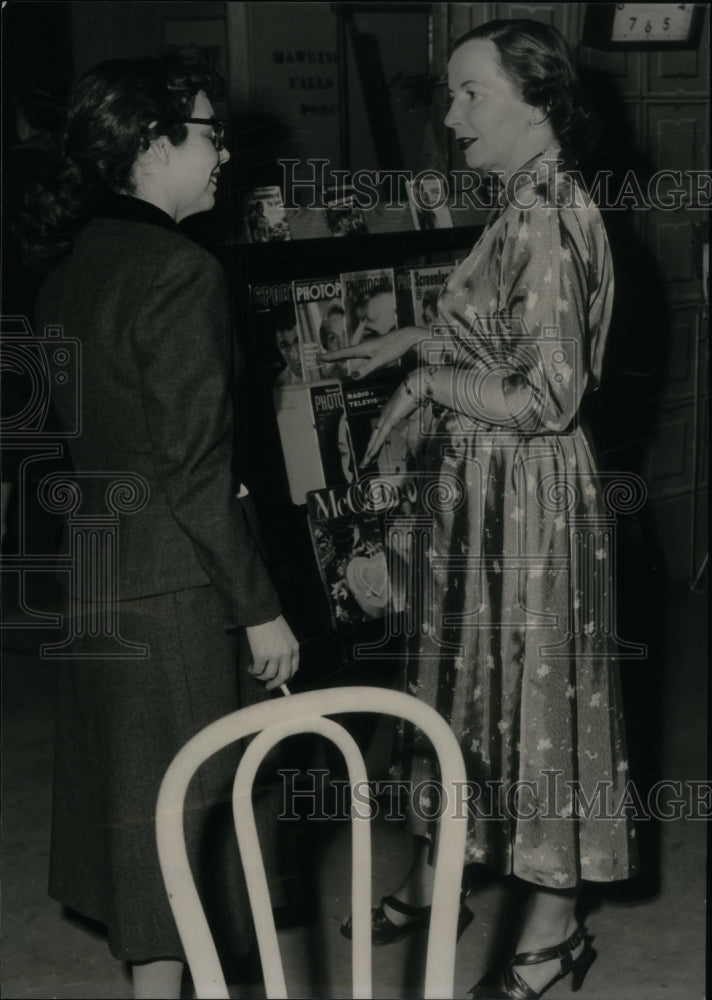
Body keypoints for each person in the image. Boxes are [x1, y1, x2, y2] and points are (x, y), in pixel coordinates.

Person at [320, 19, 637, 1000]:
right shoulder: (529, 200)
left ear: (537, 104)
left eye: (471, 95)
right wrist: (418, 338)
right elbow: (504, 332)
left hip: (526, 494)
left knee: (535, 711)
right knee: (459, 692)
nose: (450, 115)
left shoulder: (543, 211)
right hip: (488, 494)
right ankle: (437, 870)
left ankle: (551, 932)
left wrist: (429, 378)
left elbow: (548, 395)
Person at [23, 53, 299, 999]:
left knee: (142, 818)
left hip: (99, 573)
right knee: (194, 818)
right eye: (211, 132)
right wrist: (260, 606)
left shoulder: (72, 267)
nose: (226, 153)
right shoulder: (180, 271)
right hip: (178, 585)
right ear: (153, 142)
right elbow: (196, 469)